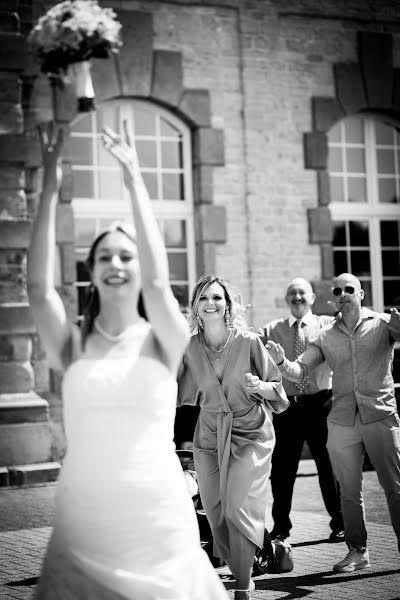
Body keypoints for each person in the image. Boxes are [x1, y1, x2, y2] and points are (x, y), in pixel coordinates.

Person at [28, 121, 229, 600]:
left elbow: (161, 286)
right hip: (83, 516)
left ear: (140, 268)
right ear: (92, 272)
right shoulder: (72, 345)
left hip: (154, 512)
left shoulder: (165, 338)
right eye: (104, 258)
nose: (115, 264)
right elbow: (37, 289)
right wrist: (50, 187)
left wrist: (134, 175)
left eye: (126, 256)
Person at [266, 273, 400, 573]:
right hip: (342, 419)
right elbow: (299, 370)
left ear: (361, 293)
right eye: (337, 290)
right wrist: (279, 361)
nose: (342, 294)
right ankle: (357, 550)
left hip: (379, 414)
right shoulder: (326, 335)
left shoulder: (382, 324)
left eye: (349, 289)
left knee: (395, 487)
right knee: (349, 491)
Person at [177, 275, 289, 600]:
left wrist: (261, 387)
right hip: (209, 431)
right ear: (195, 308)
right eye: (203, 299)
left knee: (238, 505)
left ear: (227, 305)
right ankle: (248, 557)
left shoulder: (249, 342)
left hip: (250, 429)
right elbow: (171, 390)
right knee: (214, 510)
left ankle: (242, 585)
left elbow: (278, 389)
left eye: (217, 298)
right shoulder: (190, 348)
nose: (210, 303)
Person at [258, 278, 344, 543]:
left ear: (312, 298)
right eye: (292, 293)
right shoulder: (272, 329)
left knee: (328, 468)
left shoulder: (326, 326)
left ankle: (340, 523)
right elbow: (247, 342)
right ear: (286, 299)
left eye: (302, 292)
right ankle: (281, 526)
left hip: (321, 405)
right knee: (282, 470)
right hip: (288, 409)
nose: (297, 297)